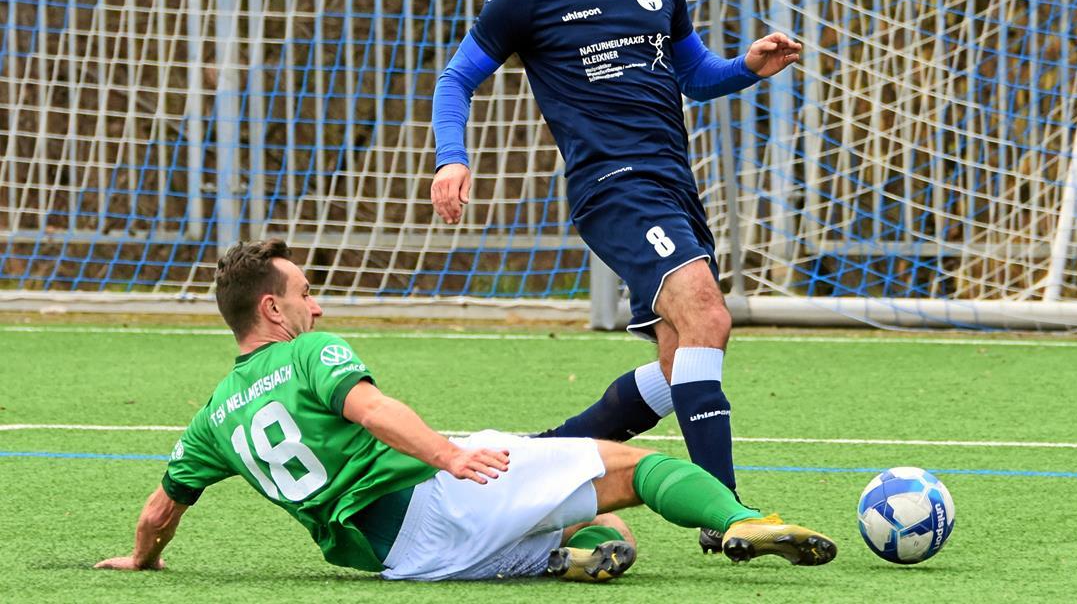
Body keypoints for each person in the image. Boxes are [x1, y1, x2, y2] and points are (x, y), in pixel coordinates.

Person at [430, 0, 803, 552]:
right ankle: (730, 516)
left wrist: (746, 69)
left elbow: (694, 74)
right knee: (707, 314)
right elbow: (456, 81)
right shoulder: (527, 0)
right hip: (613, 186)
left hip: (673, 186)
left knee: (677, 367)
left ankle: (532, 459)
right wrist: (453, 157)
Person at [95, 240, 836, 583]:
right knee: (642, 470)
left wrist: (143, 559)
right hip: (434, 498)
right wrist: (447, 456)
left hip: (403, 562)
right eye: (304, 294)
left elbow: (162, 507)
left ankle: (560, 558)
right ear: (272, 308)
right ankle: (740, 519)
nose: (315, 303)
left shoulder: (215, 415)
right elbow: (373, 408)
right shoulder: (308, 352)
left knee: (604, 527)